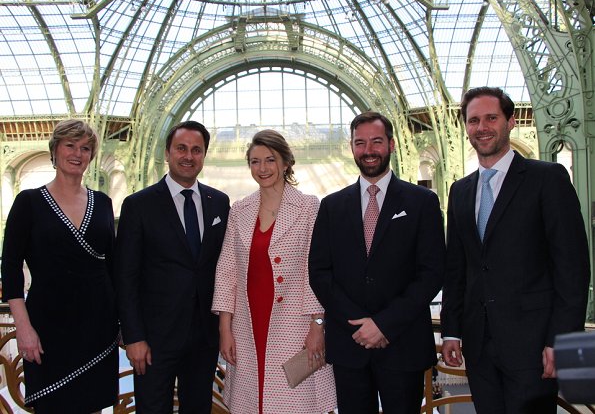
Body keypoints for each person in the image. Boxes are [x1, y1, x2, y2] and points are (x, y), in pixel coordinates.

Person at [440, 86, 590, 413]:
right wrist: (451, 330)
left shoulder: (547, 179)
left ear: (510, 121)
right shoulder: (460, 192)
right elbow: (457, 268)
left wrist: (561, 341)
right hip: (480, 347)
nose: (482, 127)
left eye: (491, 118)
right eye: (473, 120)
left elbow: (572, 267)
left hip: (533, 346)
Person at [309, 112, 445, 414]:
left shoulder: (422, 201)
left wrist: (384, 324)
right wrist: (358, 324)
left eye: (376, 141)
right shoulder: (332, 206)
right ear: (352, 147)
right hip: (349, 345)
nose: (368, 150)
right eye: (360, 143)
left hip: (403, 343)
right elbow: (319, 273)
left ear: (392, 145)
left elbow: (432, 271)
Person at [212, 129, 336, 413]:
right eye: (255, 162)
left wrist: (318, 325)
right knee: (250, 399)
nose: (262, 168)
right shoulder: (239, 210)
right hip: (247, 323)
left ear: (286, 163)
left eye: (270, 160)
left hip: (295, 325)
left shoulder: (308, 207)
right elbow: (227, 270)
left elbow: (314, 270)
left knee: (293, 401)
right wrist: (225, 328)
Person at [1, 119, 119, 413]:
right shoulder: (28, 202)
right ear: (54, 150)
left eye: (86, 148)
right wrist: (24, 327)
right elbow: (12, 268)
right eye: (70, 145)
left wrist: (121, 321)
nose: (78, 153)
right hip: (47, 326)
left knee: (94, 404)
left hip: (98, 324)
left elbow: (114, 267)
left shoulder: (103, 202)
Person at [115, 120, 230, 414]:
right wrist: (134, 337)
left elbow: (226, 267)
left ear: (204, 155)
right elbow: (125, 277)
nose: (188, 156)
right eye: (181, 148)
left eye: (196, 150)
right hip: (153, 341)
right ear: (167, 153)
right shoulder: (138, 205)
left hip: (204, 338)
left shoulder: (219, 203)